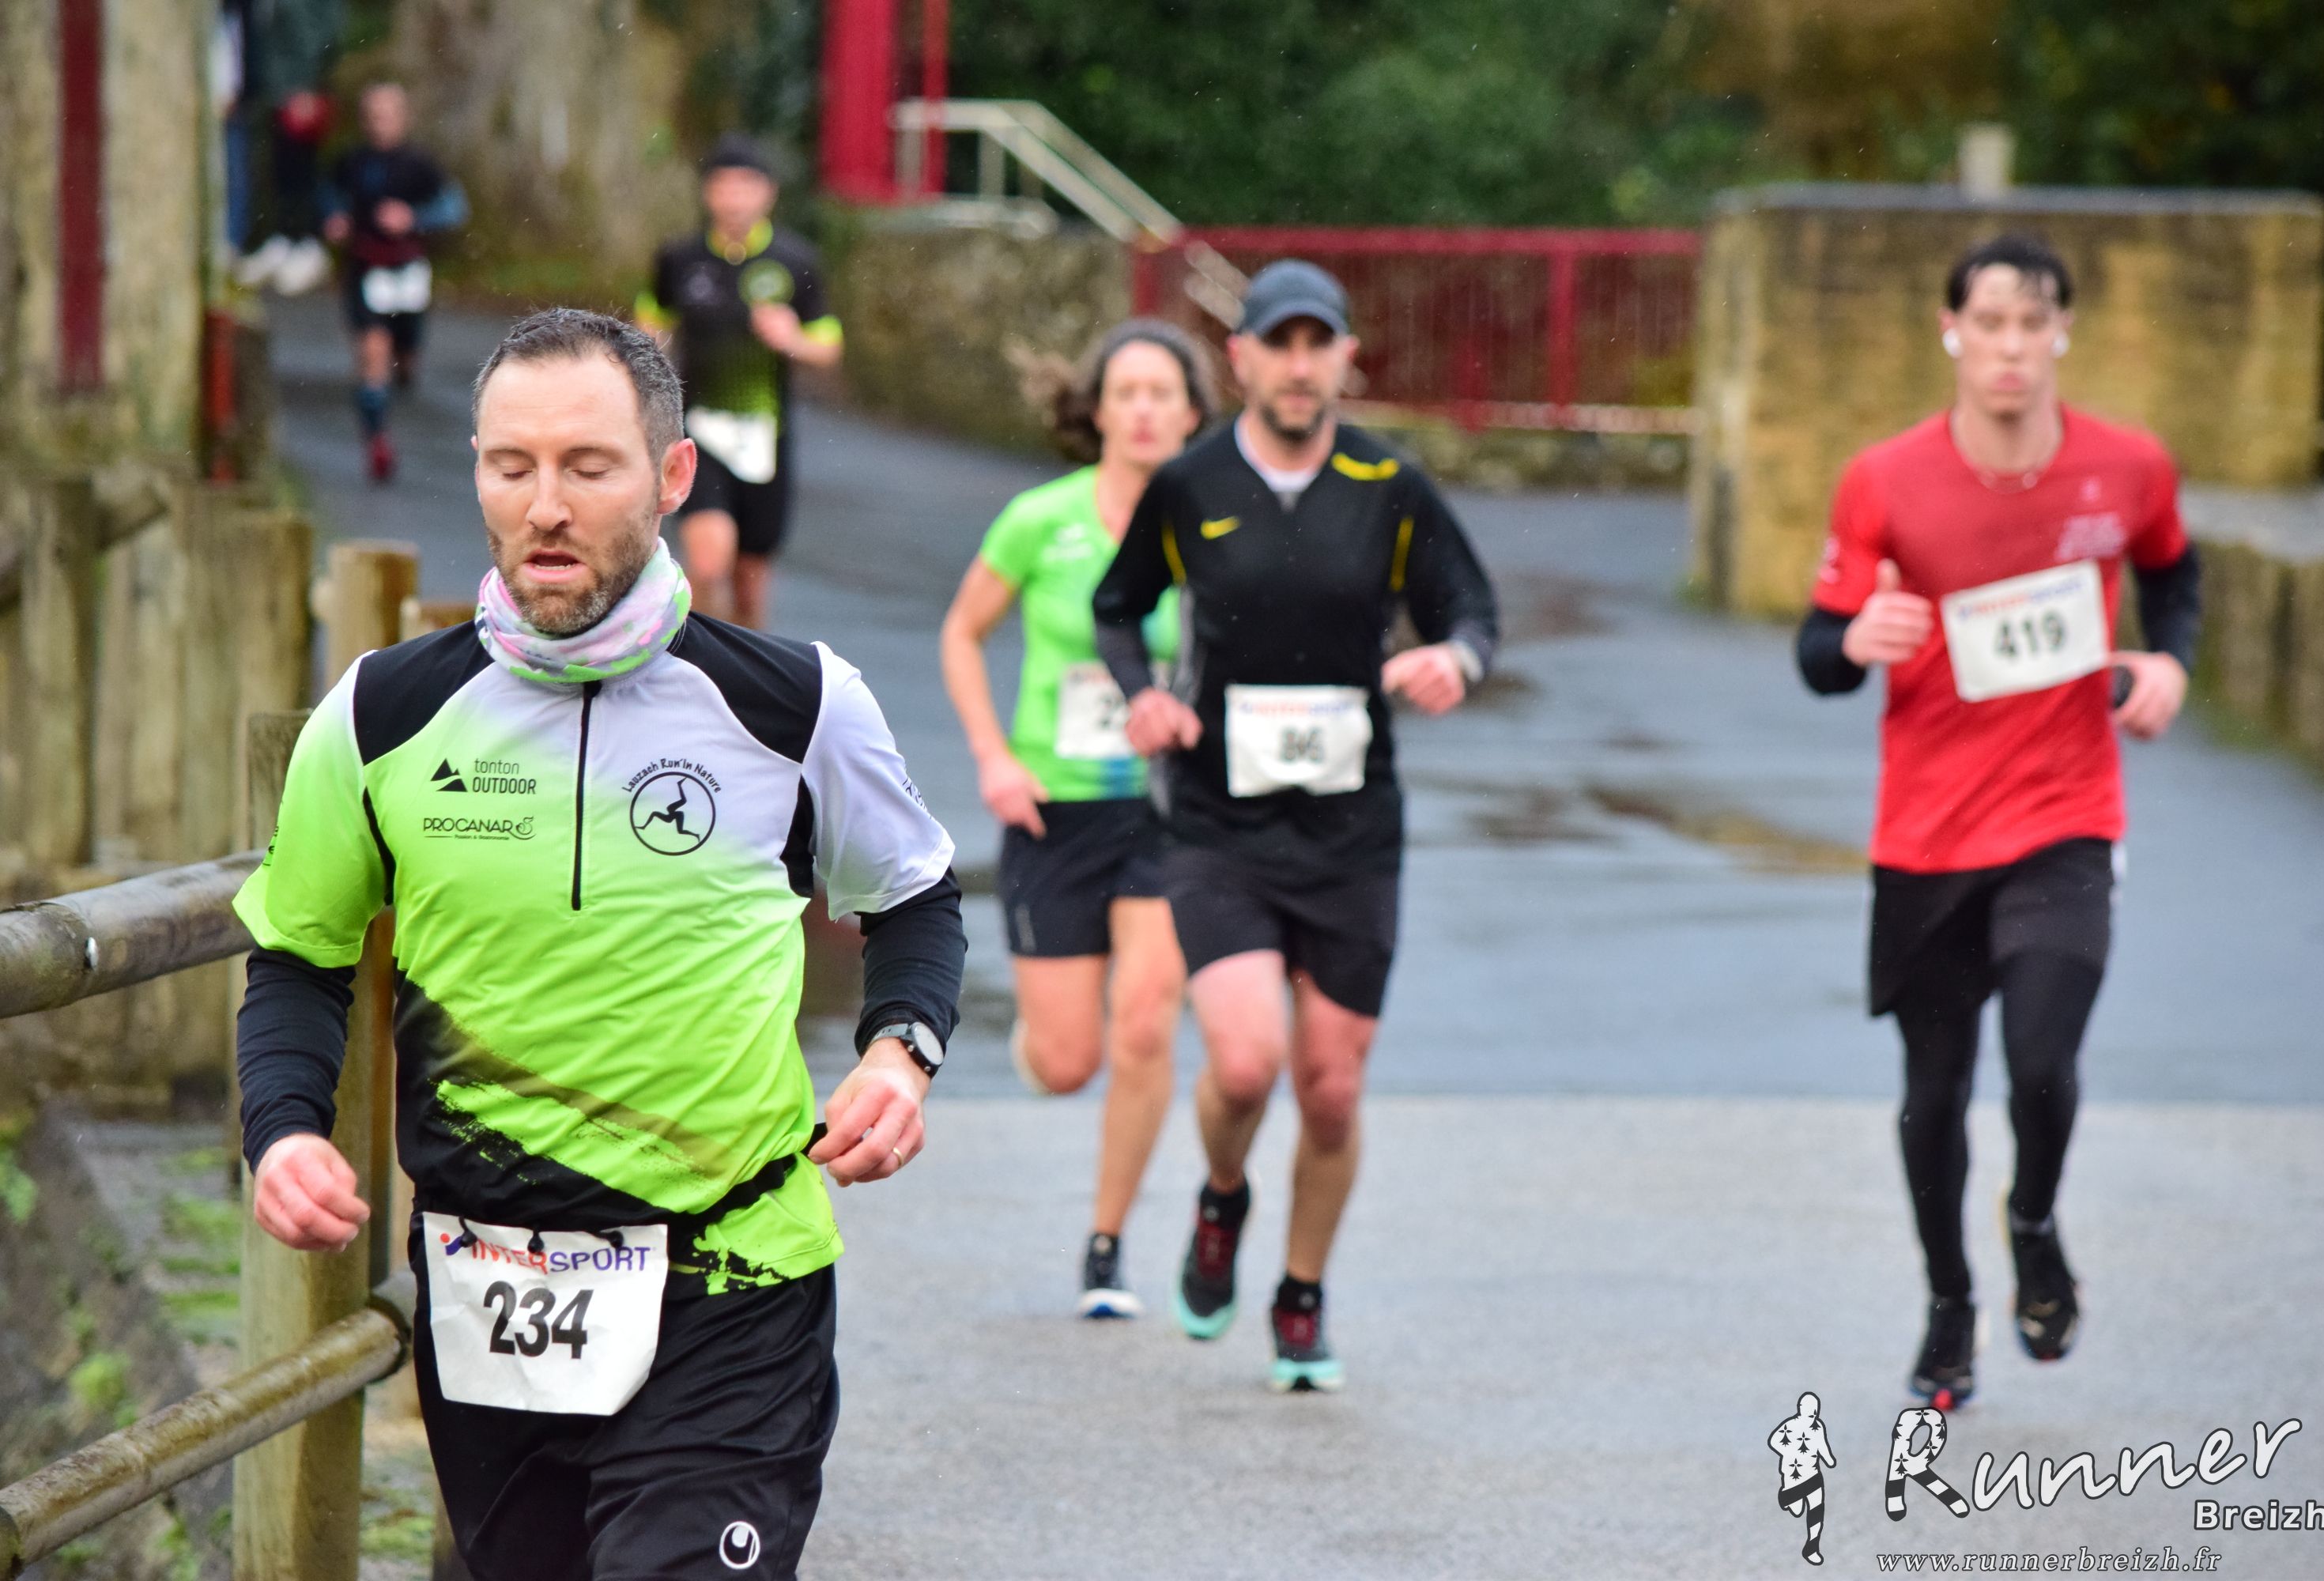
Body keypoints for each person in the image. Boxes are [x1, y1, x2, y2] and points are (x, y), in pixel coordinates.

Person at [233, 308, 964, 1576]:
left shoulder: (794, 704)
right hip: (493, 1287)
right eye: (511, 466)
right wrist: (284, 1129)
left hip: (733, 1279)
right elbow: (299, 955)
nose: (545, 507)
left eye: (588, 466)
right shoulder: (382, 715)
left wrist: (901, 1053)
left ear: (672, 476)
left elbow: (915, 898)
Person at [1795, 234, 2200, 1411]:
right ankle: (1948, 1304)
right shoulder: (1884, 479)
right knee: (1933, 1092)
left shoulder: (2128, 467)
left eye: (2033, 323)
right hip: (1925, 833)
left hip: (2066, 814)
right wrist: (1854, 641)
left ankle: (2032, 1219)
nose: (2011, 347)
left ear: (2062, 332)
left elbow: (2173, 572)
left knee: (2040, 1059)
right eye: (1989, 324)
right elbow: (1818, 651)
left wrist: (2168, 661)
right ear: (1951, 333)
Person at [1092, 262, 1499, 1392]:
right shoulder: (1191, 483)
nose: (1301, 364)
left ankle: (1302, 1292)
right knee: (1245, 1060)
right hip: (1218, 823)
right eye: (1280, 342)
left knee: (1330, 1086)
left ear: (1346, 358)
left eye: (1321, 343)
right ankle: (1222, 1197)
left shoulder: (1388, 484)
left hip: (1353, 830)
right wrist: (1144, 696)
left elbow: (1471, 610)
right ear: (1243, 359)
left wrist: (1454, 660)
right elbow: (1118, 608)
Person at [939, 321, 1215, 1318]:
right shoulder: (1039, 519)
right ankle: (1053, 1035)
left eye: (1161, 392)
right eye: (1125, 391)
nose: (1142, 410)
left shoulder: (1211, 524)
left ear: (1191, 412)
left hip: (1166, 813)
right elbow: (962, 632)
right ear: (1095, 409)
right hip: (1053, 808)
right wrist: (993, 757)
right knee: (1066, 1064)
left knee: (1145, 1019)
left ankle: (1107, 1242)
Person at [636, 135, 843, 628]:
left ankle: (741, 661)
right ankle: (699, 657)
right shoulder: (679, 258)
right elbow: (649, 322)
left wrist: (792, 338)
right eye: (723, 186)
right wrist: (646, 357)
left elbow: (829, 345)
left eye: (745, 187)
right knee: (709, 561)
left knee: (750, 582)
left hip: (765, 435)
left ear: (768, 193)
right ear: (707, 193)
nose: (733, 199)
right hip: (696, 428)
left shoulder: (796, 260)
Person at [321, 82, 468, 482]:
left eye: (387, 116)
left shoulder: (421, 165)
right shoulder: (350, 162)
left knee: (405, 360)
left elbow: (454, 209)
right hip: (365, 268)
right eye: (372, 116)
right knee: (373, 352)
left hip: (407, 272)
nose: (379, 125)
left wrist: (413, 218)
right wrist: (335, 219)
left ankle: (399, 373)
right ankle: (377, 441)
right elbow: (328, 197)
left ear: (404, 119)